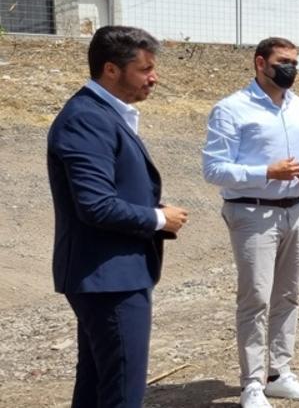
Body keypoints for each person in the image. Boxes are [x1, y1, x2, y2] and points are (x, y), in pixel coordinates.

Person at [48, 26, 190, 408]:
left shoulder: (101, 114)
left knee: (97, 386)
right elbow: (94, 204)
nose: (154, 77)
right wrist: (158, 219)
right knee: (122, 392)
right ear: (111, 70)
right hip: (107, 278)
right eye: (145, 69)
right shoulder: (86, 119)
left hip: (108, 276)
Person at [202, 37, 299, 408]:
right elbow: (214, 169)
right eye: (282, 62)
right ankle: (252, 385)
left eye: (294, 62)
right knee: (255, 298)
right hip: (252, 212)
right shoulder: (231, 109)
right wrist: (266, 172)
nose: (290, 68)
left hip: (297, 209)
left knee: (288, 295)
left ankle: (279, 373)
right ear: (260, 63)